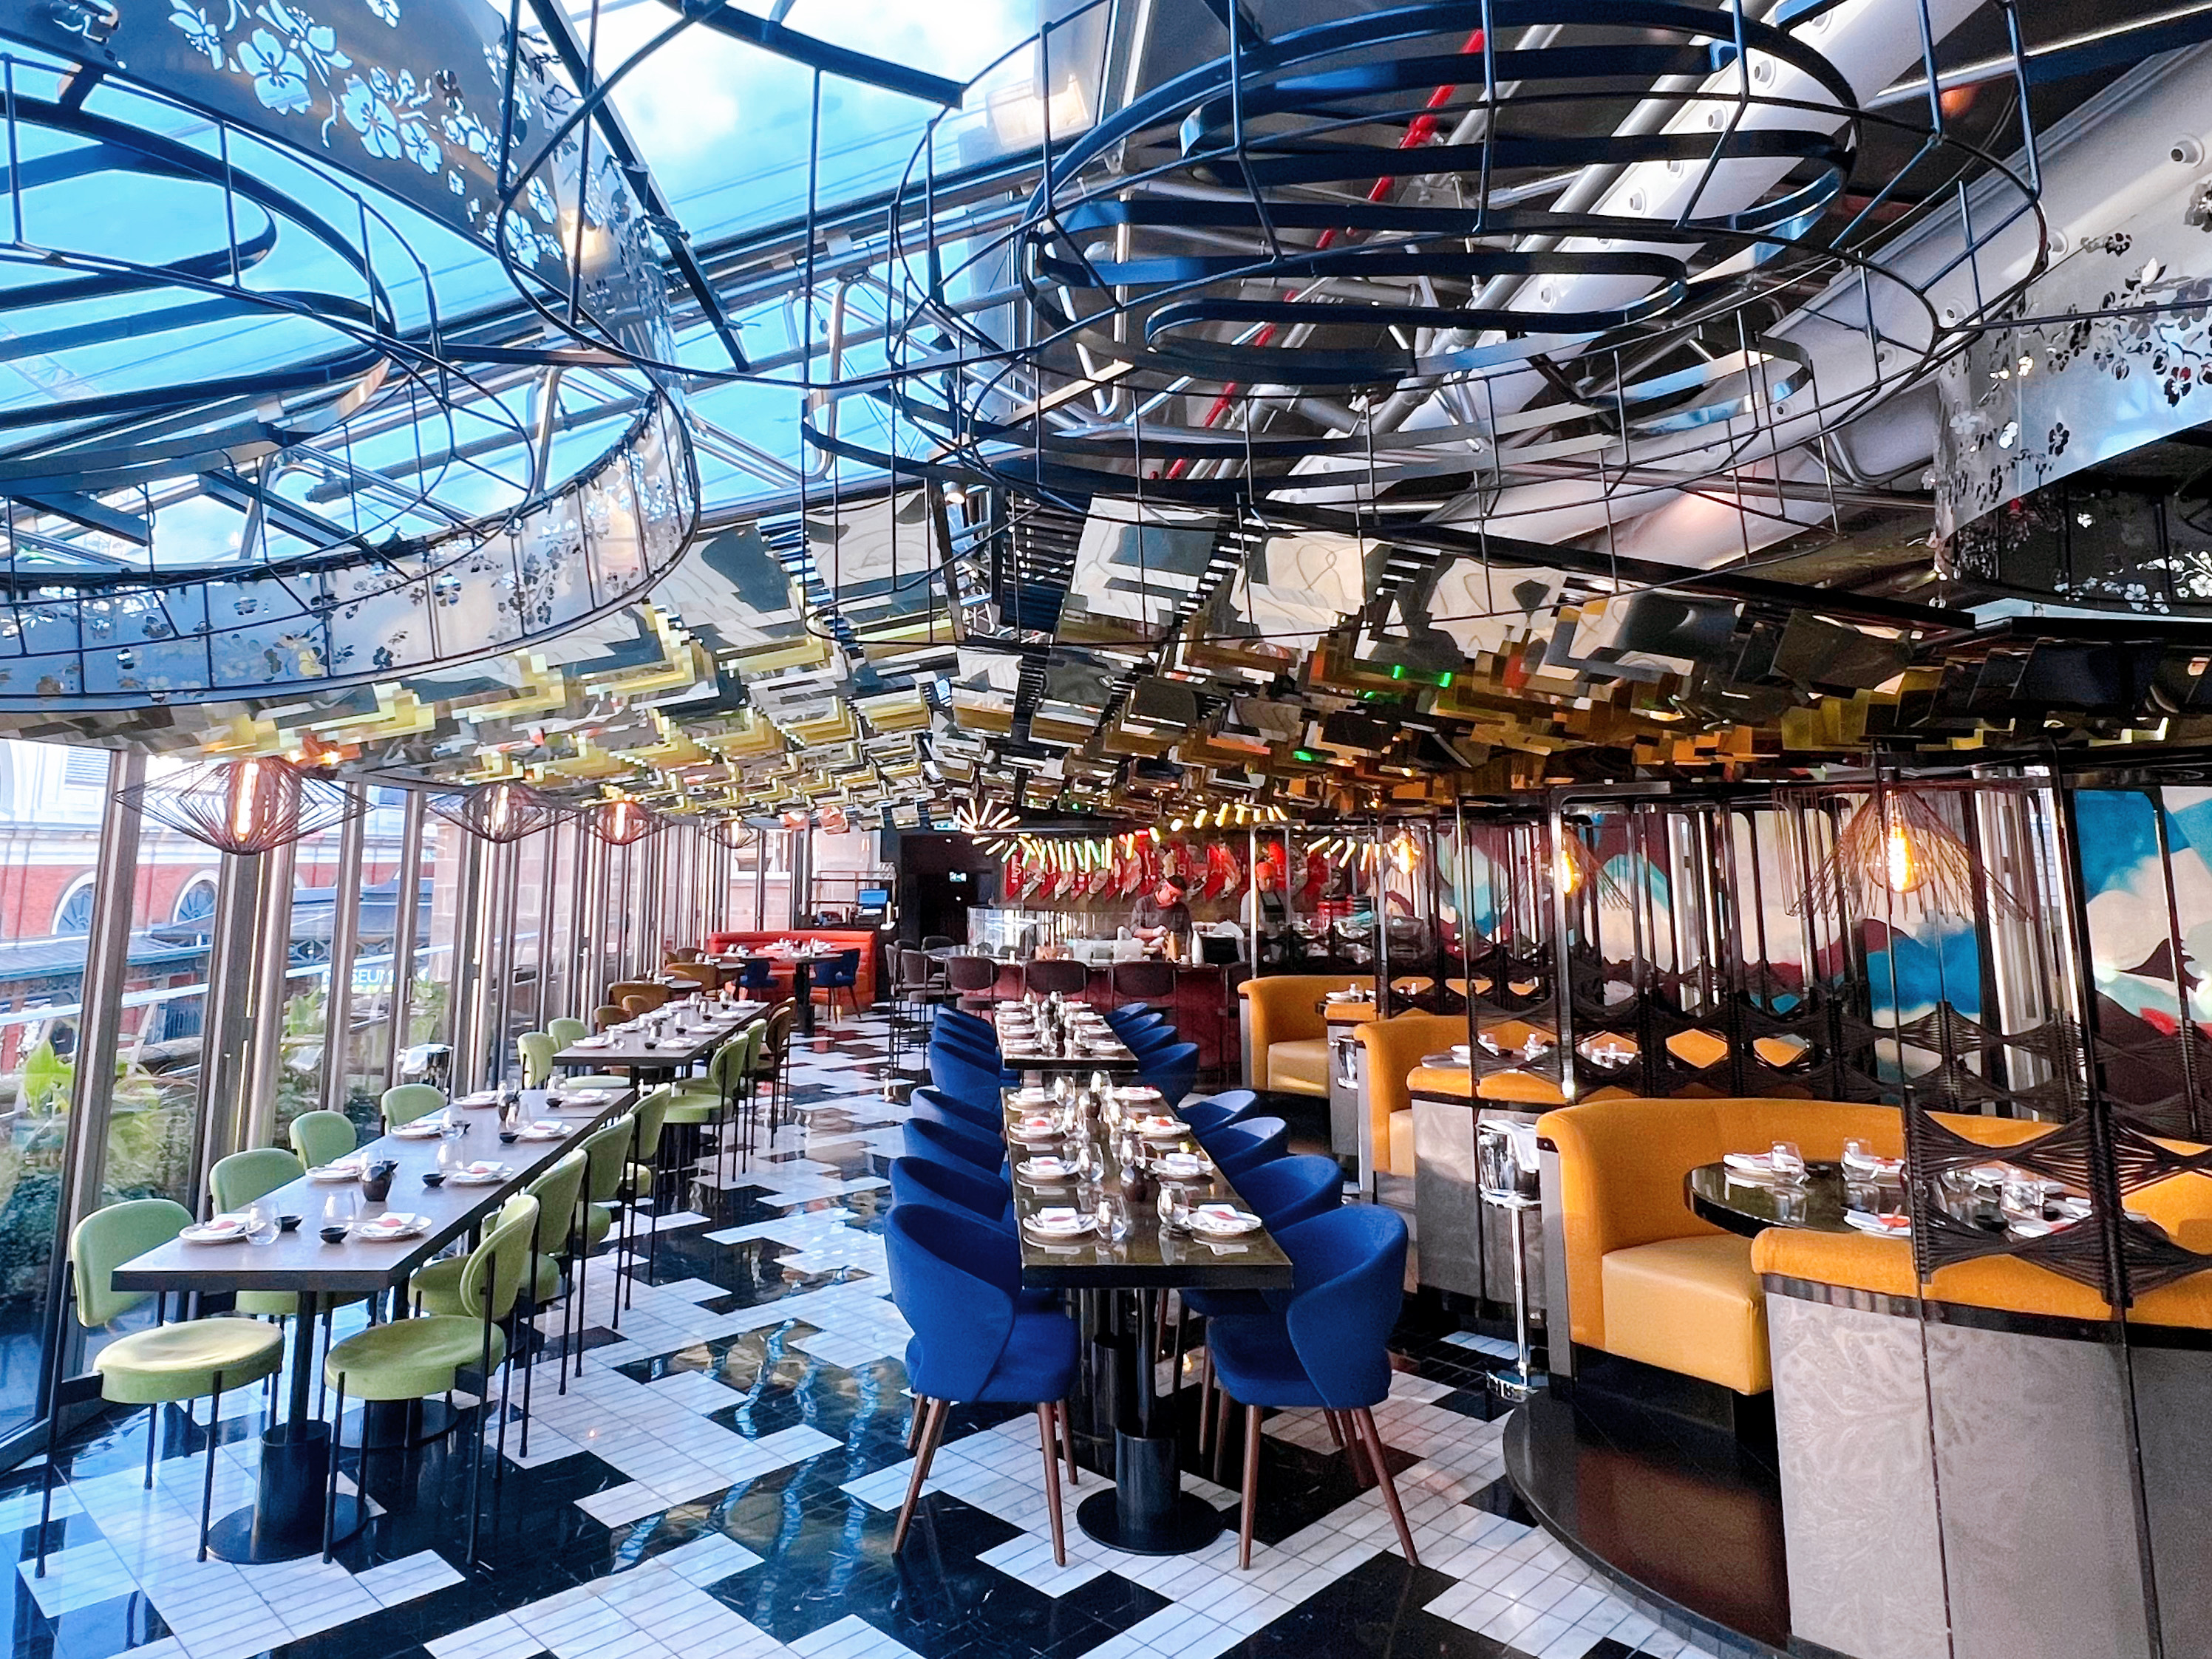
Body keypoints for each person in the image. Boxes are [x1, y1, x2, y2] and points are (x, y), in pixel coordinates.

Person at [1129, 873, 1194, 955]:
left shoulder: (1181, 909)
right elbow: (1135, 930)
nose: (1174, 900)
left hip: (1173, 955)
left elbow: (1188, 936)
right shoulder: (1143, 904)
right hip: (1146, 955)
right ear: (1165, 888)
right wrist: (1154, 932)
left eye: (1178, 897)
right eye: (1172, 895)